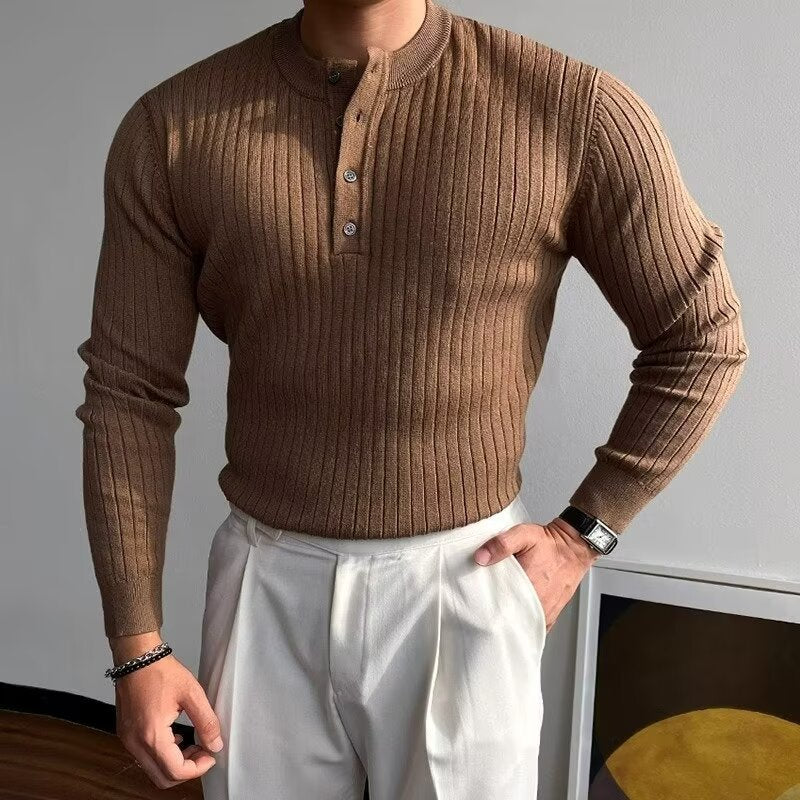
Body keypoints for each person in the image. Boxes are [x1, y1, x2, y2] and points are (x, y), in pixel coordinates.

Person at [73, 0, 749, 796]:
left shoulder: (571, 108)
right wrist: (137, 645)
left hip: (465, 580)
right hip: (264, 582)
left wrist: (581, 536)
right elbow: (128, 392)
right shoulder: (173, 127)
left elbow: (702, 335)